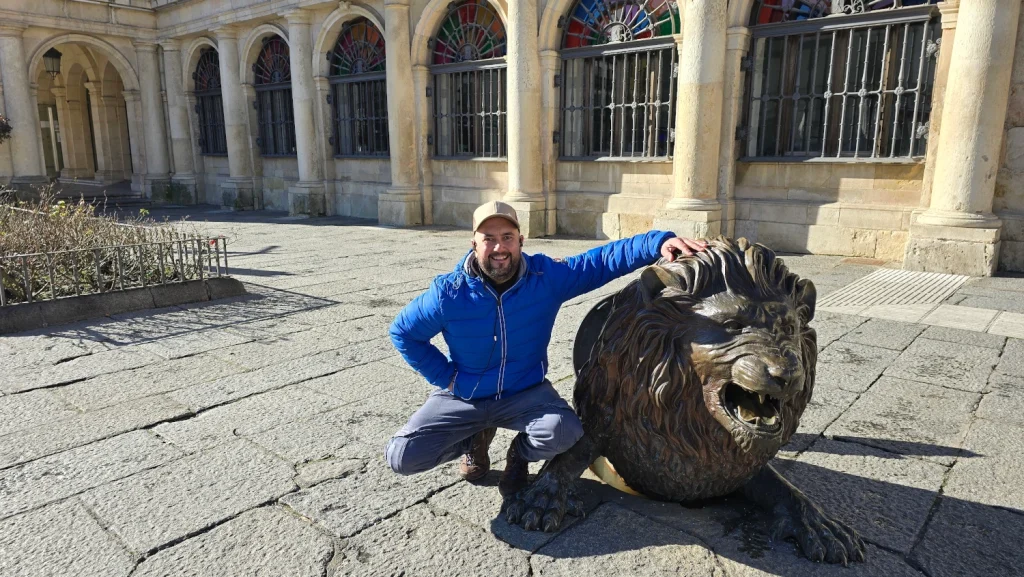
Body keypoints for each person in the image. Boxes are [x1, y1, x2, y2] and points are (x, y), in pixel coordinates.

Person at [385, 200, 706, 496]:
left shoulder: (546, 277)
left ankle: (518, 456)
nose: (499, 247)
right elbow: (403, 332)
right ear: (474, 244)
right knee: (402, 456)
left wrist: (657, 242)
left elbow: (602, 261)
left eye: (507, 237)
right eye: (489, 238)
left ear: (521, 241)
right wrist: (447, 378)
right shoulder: (449, 294)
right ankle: (473, 438)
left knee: (564, 431)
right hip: (465, 393)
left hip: (524, 392)